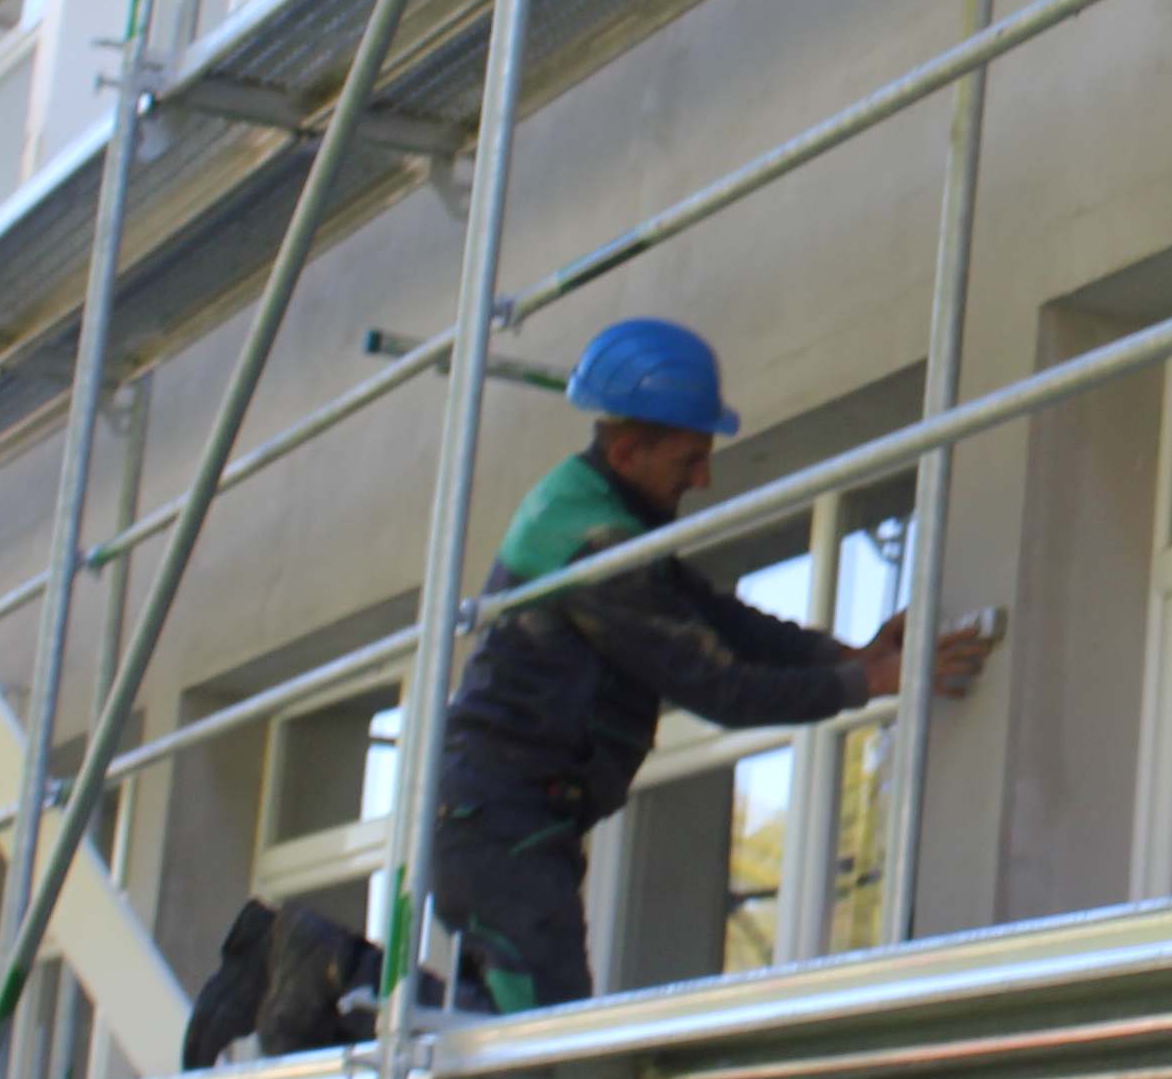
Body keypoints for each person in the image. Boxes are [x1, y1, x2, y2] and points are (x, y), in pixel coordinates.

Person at [425, 317, 996, 1013]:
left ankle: (331, 972)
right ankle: (315, 963)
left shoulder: (599, 508)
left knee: (487, 1035)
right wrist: (870, 681)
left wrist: (851, 654)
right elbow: (719, 686)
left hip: (495, 826)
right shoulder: (595, 546)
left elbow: (719, 619)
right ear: (630, 450)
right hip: (501, 830)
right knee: (544, 1058)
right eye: (688, 459)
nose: (704, 476)